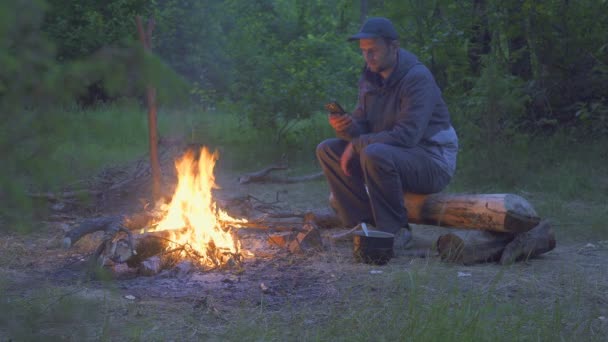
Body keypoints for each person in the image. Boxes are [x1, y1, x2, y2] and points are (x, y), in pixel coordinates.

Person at [316, 17, 458, 247]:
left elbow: (407, 136)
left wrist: (357, 144)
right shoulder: (370, 76)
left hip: (431, 160)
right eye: (363, 51)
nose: (367, 57)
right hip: (390, 153)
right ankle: (362, 225)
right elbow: (363, 128)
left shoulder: (416, 78)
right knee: (327, 150)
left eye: (373, 50)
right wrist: (348, 127)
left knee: (374, 153)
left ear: (394, 47)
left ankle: (395, 232)